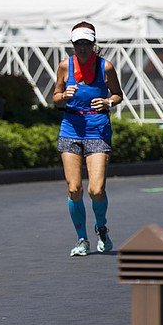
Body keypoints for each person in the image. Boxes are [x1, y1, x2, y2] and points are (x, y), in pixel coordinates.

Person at [52, 22, 124, 257]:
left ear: (93, 44)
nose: (82, 48)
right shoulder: (65, 66)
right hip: (71, 129)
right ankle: (82, 239)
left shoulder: (106, 67)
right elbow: (55, 97)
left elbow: (117, 95)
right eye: (77, 44)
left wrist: (108, 102)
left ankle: (101, 228)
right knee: (74, 189)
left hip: (97, 130)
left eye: (86, 43)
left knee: (96, 190)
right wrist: (63, 95)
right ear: (72, 45)